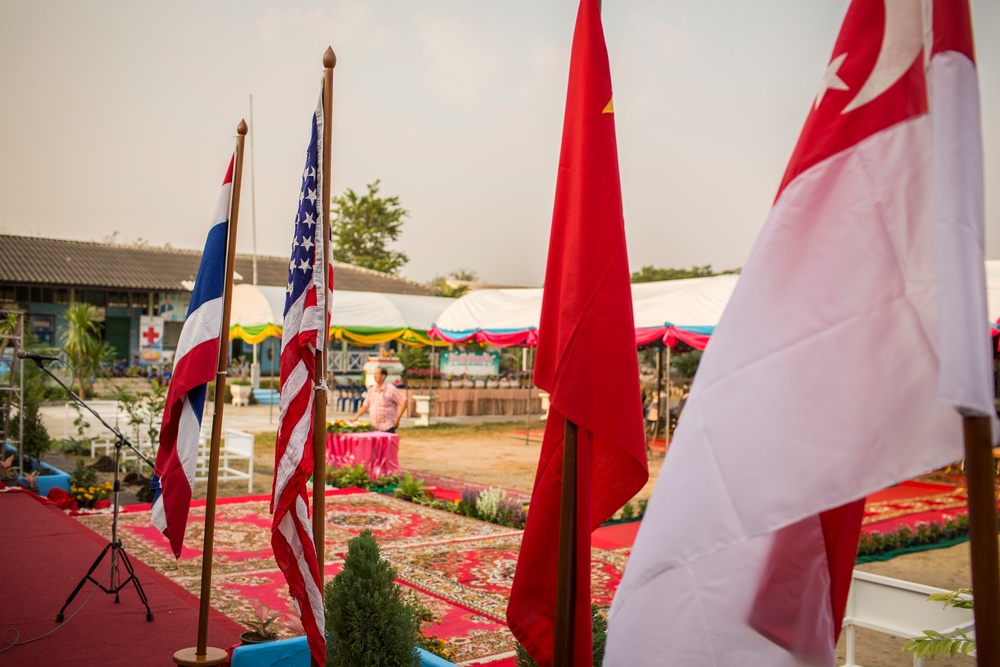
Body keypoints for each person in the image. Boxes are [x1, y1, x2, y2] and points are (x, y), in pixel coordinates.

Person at [350, 367, 406, 433]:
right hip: (374, 427)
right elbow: (365, 406)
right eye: (374, 374)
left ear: (383, 376)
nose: (375, 376)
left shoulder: (391, 389)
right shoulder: (371, 390)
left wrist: (397, 419)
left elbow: (403, 401)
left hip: (388, 426)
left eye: (377, 374)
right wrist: (356, 416)